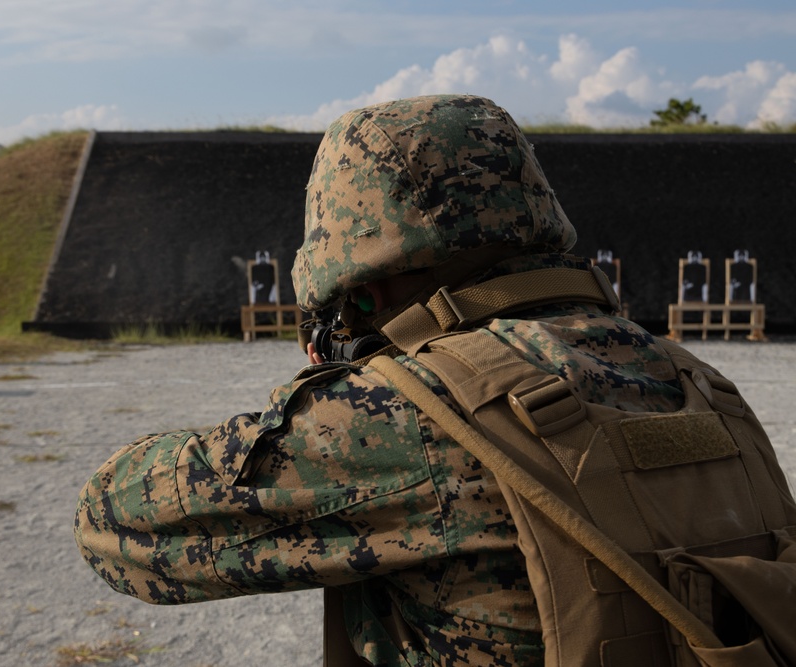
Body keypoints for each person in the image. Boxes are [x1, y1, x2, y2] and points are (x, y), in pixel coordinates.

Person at [73, 95, 789, 666]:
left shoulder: (412, 414)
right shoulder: (705, 386)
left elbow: (111, 520)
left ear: (358, 274)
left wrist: (335, 385)